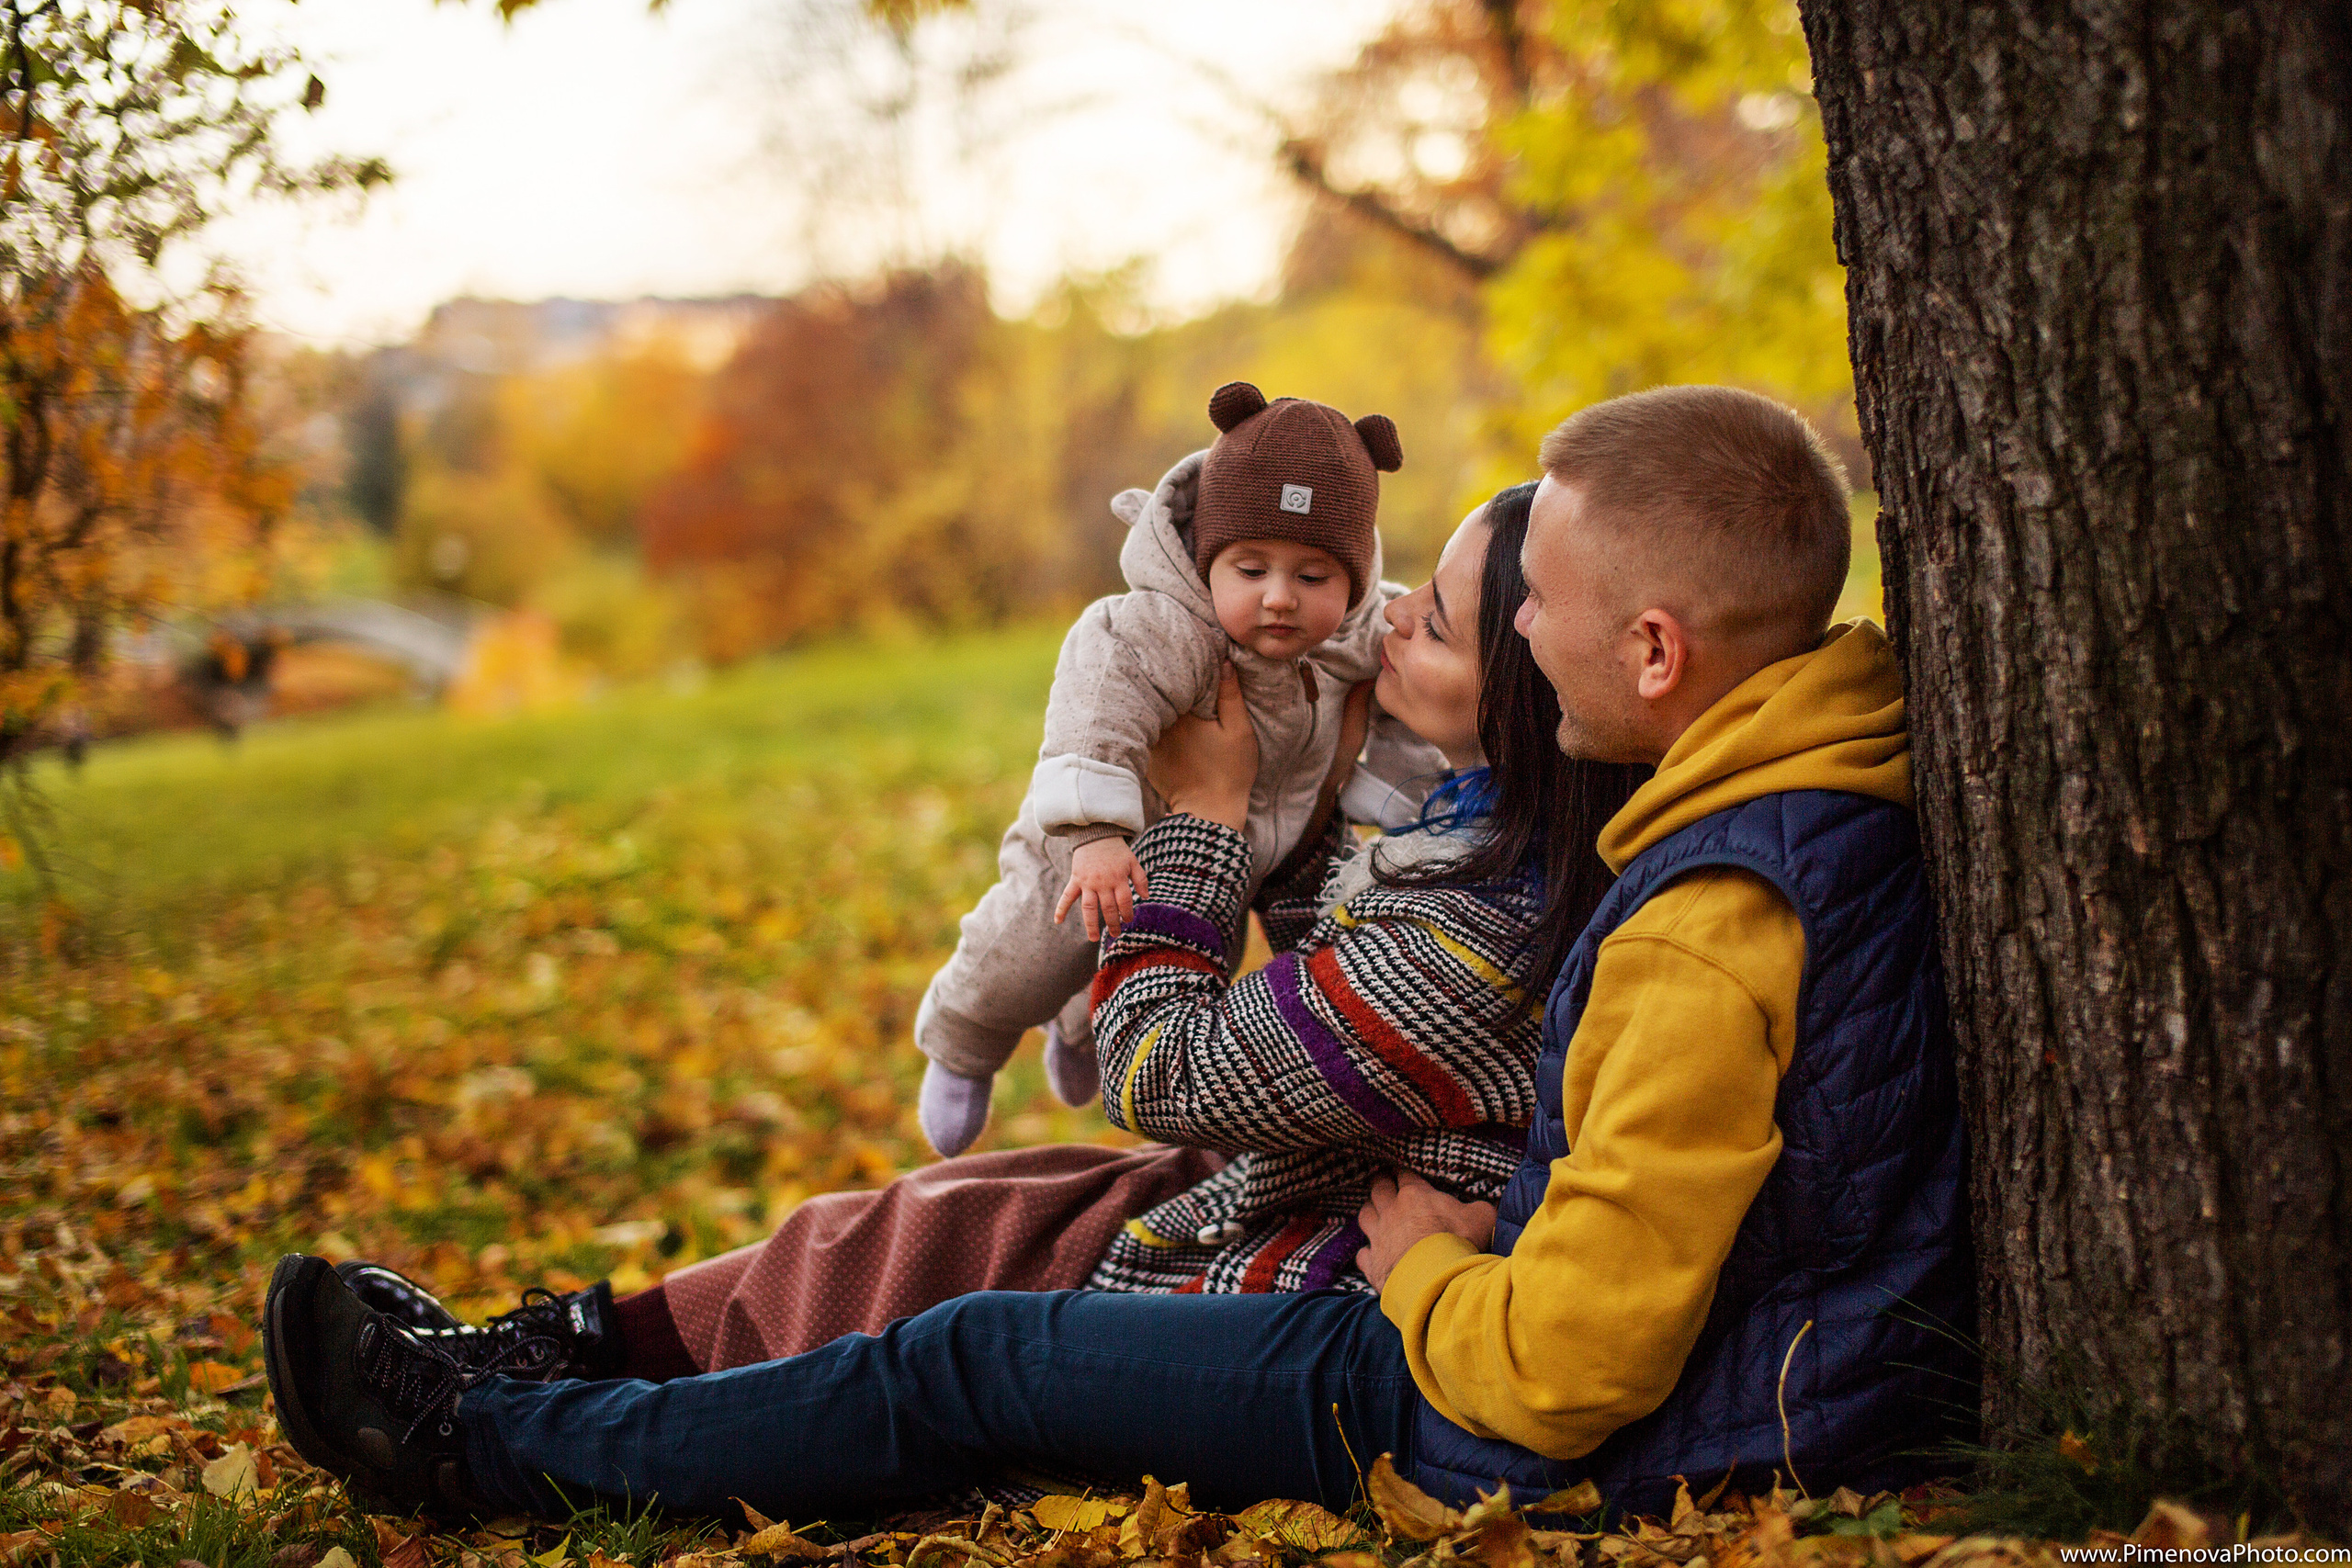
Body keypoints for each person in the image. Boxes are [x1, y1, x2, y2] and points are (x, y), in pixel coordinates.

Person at [262, 386, 1973, 1525]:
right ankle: (546, 1352)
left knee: (974, 1353)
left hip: (1451, 1387)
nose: (1439, 628)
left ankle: (479, 1447)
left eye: (1489, 614)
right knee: (980, 1210)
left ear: (1652, 650)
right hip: (1437, 1274)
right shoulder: (1756, 786)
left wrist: (1207, 837)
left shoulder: (1690, 917)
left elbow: (1561, 1368)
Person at [319, 483, 1639, 1384]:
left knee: (938, 1283)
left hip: (1315, 1277)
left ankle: (521, 1412)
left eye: (1442, 619)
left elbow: (1159, 1073)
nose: (1393, 609)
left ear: (1522, 691)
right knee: (928, 1204)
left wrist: (1206, 815)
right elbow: (1316, 981)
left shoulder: (1480, 937)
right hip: (1305, 1184)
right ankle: (559, 1342)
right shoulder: (1465, 822)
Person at [913, 378, 1447, 1158]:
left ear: (1357, 576)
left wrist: (1409, 798)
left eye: (1312, 576)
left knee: (1189, 973)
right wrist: (1094, 832)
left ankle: (1081, 1026)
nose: (1278, 600)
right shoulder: (1162, 629)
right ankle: (962, 1040)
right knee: (1032, 952)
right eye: (1250, 568)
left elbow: (1408, 704)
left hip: (1232, 860)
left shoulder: (1360, 636)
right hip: (1104, 843)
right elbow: (1095, 710)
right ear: (1208, 560)